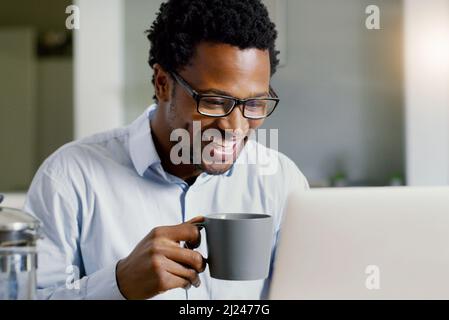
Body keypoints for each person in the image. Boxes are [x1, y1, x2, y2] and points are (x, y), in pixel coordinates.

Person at [24, 0, 308, 300]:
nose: (235, 127)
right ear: (162, 83)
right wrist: (117, 285)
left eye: (254, 104)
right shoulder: (70, 176)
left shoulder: (282, 181)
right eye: (213, 101)